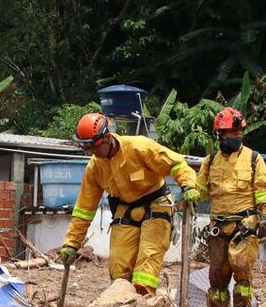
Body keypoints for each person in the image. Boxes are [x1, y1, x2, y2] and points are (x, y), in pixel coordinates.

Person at [58, 113, 199, 295]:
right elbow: (84, 209)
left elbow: (177, 164)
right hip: (125, 208)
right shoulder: (94, 167)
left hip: (157, 203)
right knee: (118, 270)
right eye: (88, 149)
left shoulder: (139, 147)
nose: (93, 153)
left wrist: (188, 186)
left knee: (145, 268)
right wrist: (72, 243)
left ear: (107, 138)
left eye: (95, 147)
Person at [196, 107, 266, 307]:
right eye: (232, 132)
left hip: (245, 226)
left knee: (242, 274)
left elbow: (263, 190)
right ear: (220, 135)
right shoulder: (210, 162)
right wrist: (189, 194)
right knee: (217, 277)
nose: (237, 136)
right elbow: (201, 190)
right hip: (219, 228)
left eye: (239, 131)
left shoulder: (253, 159)